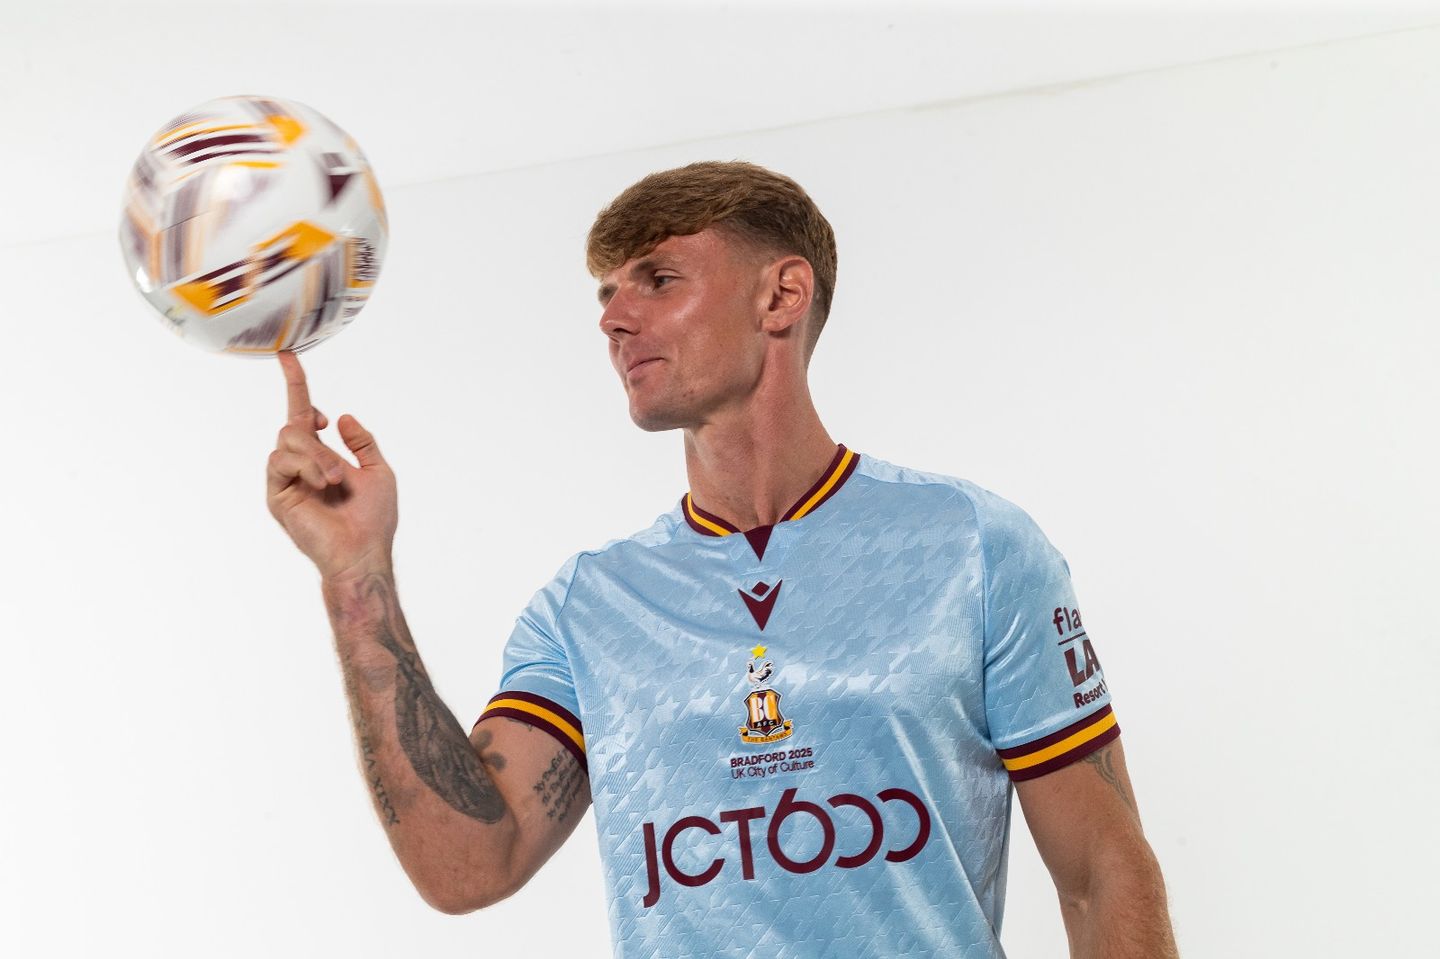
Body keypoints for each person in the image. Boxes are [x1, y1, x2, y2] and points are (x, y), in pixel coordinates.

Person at [266, 160, 1179, 957]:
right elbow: (468, 863)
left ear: (781, 296)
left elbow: (1102, 872)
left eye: (656, 279)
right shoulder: (588, 605)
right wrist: (355, 575)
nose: (614, 319)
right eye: (605, 295)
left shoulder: (973, 546)